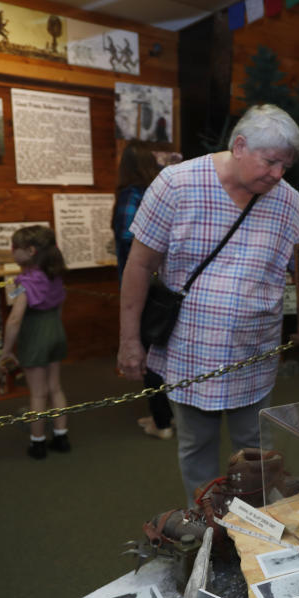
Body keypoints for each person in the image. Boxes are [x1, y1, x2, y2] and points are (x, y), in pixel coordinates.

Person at [117, 104, 299, 507]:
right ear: (240, 146)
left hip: (254, 352)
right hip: (189, 349)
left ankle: (259, 529)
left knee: (256, 446)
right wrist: (129, 340)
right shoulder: (177, 183)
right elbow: (139, 264)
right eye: (271, 162)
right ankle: (206, 529)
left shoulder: (289, 201)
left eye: (285, 166)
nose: (277, 175)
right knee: (196, 446)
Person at [112, 140, 174, 440]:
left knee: (147, 351)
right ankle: (162, 415)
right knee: (157, 349)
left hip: (142, 285)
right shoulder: (156, 191)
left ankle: (162, 422)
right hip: (160, 284)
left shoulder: (132, 194)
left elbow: (130, 239)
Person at [0, 225, 70, 459]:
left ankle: (37, 443)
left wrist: (6, 349)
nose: (11, 251)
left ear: (29, 251)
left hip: (36, 336)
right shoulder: (55, 275)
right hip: (56, 331)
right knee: (55, 388)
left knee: (37, 394)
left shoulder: (26, 283)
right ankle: (61, 436)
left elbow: (15, 319)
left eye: (14, 248)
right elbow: (59, 304)